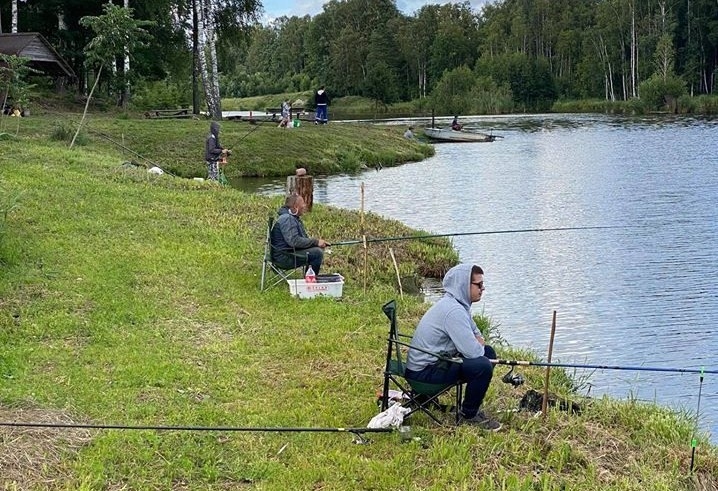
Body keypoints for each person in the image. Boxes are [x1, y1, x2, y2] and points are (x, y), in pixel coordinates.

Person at [405, 263, 501, 431]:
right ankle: (469, 414)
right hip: (423, 374)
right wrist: (475, 343)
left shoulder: (458, 305)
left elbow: (479, 336)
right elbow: (474, 351)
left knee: (489, 352)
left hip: (433, 364)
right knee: (483, 366)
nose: (483, 288)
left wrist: (476, 341)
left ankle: (424, 398)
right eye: (478, 284)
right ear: (464, 285)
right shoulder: (453, 311)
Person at [270, 193, 330, 273]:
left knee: (316, 249)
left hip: (285, 253)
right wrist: (316, 242)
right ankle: (310, 282)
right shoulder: (287, 219)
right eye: (303, 204)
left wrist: (315, 244)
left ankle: (309, 278)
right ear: (295, 207)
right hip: (283, 257)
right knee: (317, 253)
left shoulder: (290, 217)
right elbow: (294, 241)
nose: (304, 206)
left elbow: (298, 240)